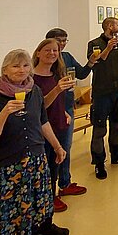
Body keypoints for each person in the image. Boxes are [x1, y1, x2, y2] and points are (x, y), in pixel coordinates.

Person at [0, 50, 68, 235]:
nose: (22, 70)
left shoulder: (34, 91)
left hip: (34, 168)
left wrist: (57, 146)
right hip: (4, 173)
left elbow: (42, 122)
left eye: (26, 65)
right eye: (16, 66)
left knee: (30, 230)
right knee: (3, 233)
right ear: (5, 70)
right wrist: (4, 113)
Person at [45, 28, 97, 199]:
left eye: (64, 40)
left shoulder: (67, 57)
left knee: (65, 146)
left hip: (67, 107)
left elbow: (81, 74)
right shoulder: (46, 60)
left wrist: (91, 62)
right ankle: (49, 192)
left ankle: (65, 183)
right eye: (58, 40)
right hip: (51, 110)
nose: (62, 44)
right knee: (51, 150)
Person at [87, 17, 118, 180]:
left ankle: (116, 154)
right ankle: (99, 163)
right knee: (99, 129)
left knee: (117, 125)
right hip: (102, 92)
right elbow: (96, 61)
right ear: (109, 26)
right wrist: (107, 48)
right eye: (117, 25)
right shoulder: (94, 44)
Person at [32, 39, 75, 213]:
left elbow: (57, 101)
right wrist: (57, 89)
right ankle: (46, 199)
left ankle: (53, 194)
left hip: (59, 124)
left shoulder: (55, 74)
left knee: (56, 162)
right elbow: (39, 107)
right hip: (43, 129)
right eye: (47, 50)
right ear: (38, 53)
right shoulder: (32, 79)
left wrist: (63, 111)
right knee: (45, 166)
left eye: (55, 50)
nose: (52, 53)